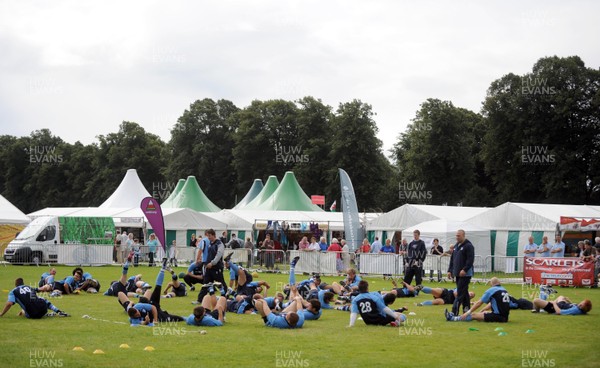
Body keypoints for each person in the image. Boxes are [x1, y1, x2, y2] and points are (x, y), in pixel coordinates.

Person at [118, 259, 184, 326]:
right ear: (133, 317)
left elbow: (153, 307)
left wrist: (155, 320)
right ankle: (184, 318)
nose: (138, 314)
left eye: (138, 313)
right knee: (175, 318)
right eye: (137, 315)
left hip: (154, 307)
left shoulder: (138, 306)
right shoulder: (133, 320)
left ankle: (162, 269)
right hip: (159, 315)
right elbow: (142, 323)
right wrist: (146, 321)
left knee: (157, 287)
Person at [445, 277, 510, 323]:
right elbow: (491, 304)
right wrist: (483, 310)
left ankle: (453, 318)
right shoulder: (504, 290)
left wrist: (468, 313)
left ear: (491, 284)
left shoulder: (491, 290)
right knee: (484, 313)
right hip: (505, 317)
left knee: (473, 315)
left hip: (498, 316)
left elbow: (479, 303)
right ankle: (461, 316)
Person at [0, 278, 69, 318]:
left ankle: (46, 314)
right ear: (23, 283)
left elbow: (9, 303)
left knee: (27, 306)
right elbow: (39, 290)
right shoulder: (28, 287)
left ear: (16, 285)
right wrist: (47, 287)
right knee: (41, 299)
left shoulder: (13, 291)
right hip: (43, 309)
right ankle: (59, 312)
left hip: (32, 315)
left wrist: (1, 314)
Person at [447, 229, 474, 315]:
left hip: (465, 274)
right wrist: (449, 270)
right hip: (457, 273)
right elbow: (452, 259)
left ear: (463, 235)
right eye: (456, 235)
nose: (457, 237)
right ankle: (467, 311)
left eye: (458, 235)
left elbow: (470, 260)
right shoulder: (456, 246)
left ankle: (454, 312)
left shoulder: (468, 246)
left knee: (460, 293)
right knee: (464, 293)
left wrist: (465, 269)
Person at [204, 229, 228, 296]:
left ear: (214, 235)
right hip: (209, 267)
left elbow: (219, 254)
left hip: (217, 267)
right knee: (206, 284)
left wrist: (212, 263)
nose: (208, 237)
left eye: (210, 236)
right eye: (207, 236)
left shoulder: (219, 244)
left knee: (221, 283)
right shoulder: (210, 244)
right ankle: (200, 299)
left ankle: (225, 296)